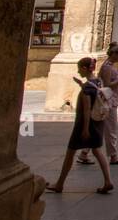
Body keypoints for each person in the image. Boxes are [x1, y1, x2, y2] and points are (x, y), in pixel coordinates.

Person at [48, 58, 113, 194]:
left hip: (84, 125)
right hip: (98, 121)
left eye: (79, 68)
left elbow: (87, 109)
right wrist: (82, 85)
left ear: (84, 68)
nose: (78, 71)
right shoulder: (97, 82)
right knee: (97, 151)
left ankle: (60, 184)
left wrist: (84, 129)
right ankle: (108, 181)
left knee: (70, 152)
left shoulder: (87, 89)